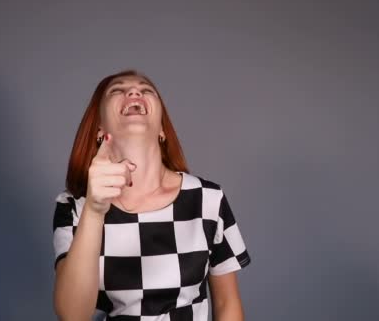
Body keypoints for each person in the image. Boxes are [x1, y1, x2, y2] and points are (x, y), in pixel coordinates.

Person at [53, 69, 251, 320]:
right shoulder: (75, 206)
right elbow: (72, 316)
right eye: (117, 90)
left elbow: (227, 304)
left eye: (146, 90)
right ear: (99, 129)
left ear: (162, 130)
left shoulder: (208, 199)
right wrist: (94, 210)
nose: (134, 92)